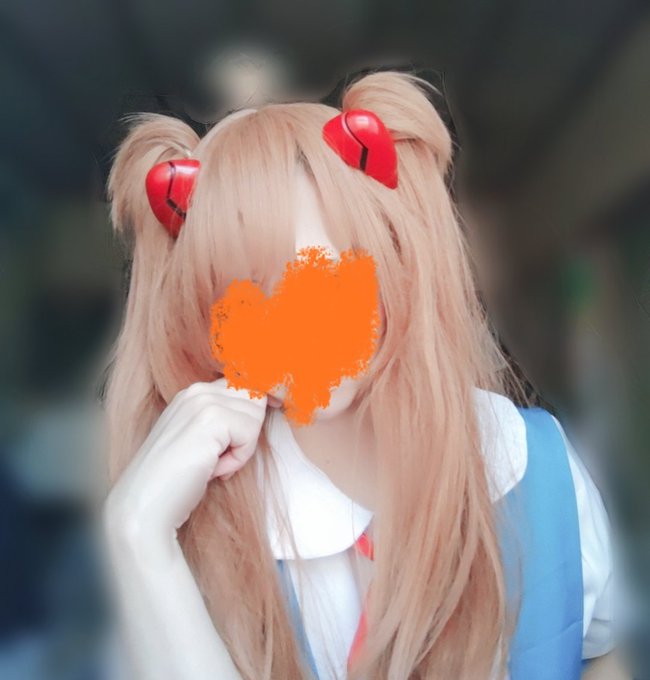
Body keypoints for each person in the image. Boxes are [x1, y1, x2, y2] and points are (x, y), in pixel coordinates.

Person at [101, 71, 616, 679]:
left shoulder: (536, 466)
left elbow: (602, 652)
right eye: (250, 291)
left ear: (396, 263)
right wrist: (136, 533)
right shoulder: (194, 523)